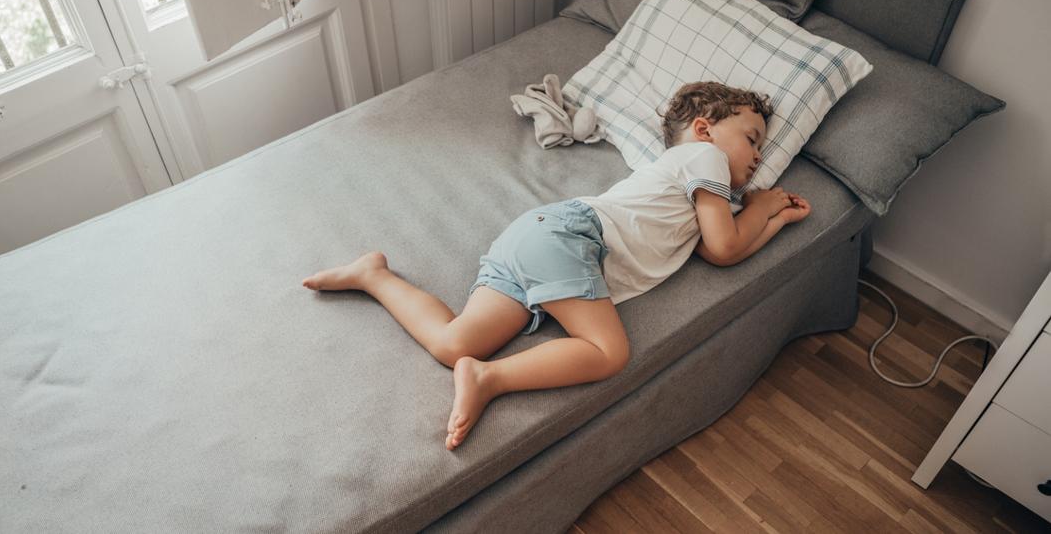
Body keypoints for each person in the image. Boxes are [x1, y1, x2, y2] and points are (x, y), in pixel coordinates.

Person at [301, 81, 811, 450]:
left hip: (537, 236)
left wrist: (775, 223)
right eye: (752, 139)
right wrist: (763, 206)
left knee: (451, 342)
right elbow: (724, 248)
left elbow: (715, 249)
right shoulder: (705, 161)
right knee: (608, 353)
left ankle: (374, 275)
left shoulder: (690, 183)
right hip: (571, 240)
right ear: (704, 130)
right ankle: (488, 378)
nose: (758, 158)